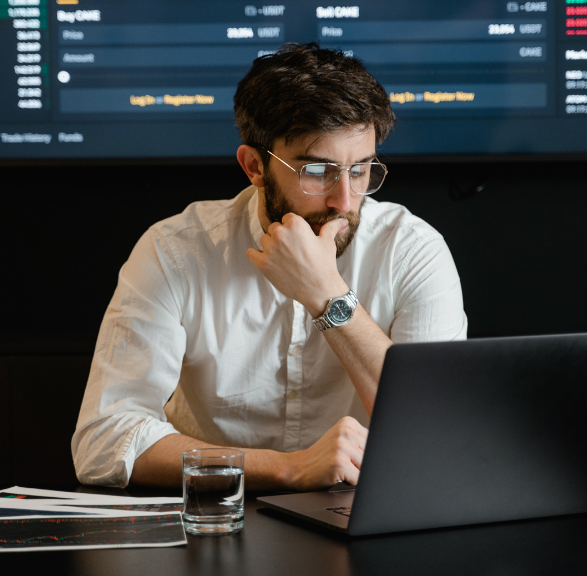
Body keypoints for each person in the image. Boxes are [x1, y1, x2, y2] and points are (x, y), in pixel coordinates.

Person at [72, 43, 467, 491]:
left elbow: (441, 431)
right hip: (217, 518)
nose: (345, 200)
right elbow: (103, 442)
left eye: (360, 170)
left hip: (364, 518)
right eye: (318, 171)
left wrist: (328, 298)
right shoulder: (174, 250)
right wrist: (289, 468)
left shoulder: (413, 250)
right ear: (255, 166)